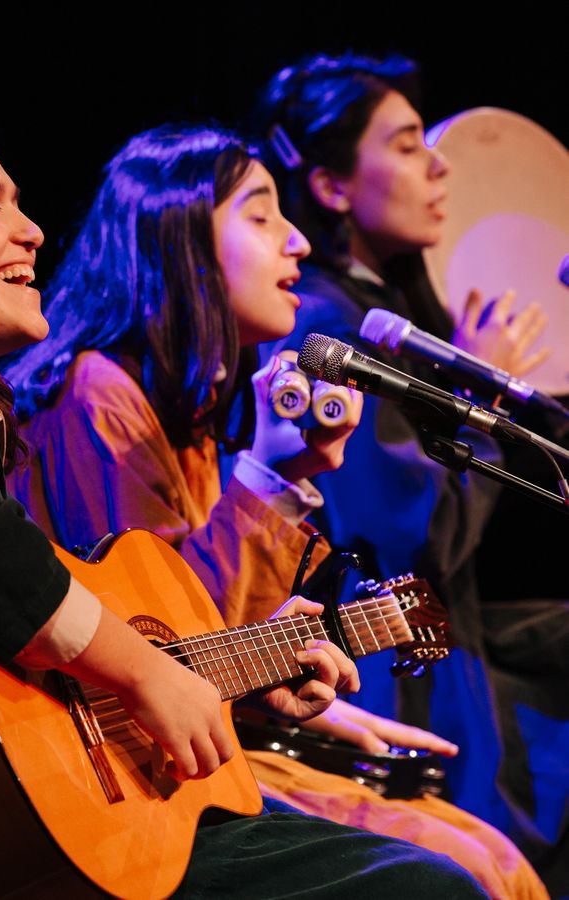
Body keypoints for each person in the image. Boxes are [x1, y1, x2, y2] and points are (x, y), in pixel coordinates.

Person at [0, 116, 484, 899]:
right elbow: (3, 575)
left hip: (19, 842)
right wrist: (152, 675)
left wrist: (242, 669)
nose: (34, 231)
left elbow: (26, 663)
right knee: (429, 885)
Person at [4, 124, 545, 899]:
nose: (295, 241)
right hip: (130, 782)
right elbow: (165, 643)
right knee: (461, 875)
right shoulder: (97, 394)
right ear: (179, 239)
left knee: (496, 861)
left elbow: (213, 643)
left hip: (216, 744)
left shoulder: (182, 413)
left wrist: (310, 711)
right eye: (260, 216)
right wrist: (270, 477)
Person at [253, 52, 566, 892]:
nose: (439, 166)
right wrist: (485, 401)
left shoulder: (369, 308)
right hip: (389, 671)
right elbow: (409, 532)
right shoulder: (323, 321)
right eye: (404, 144)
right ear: (329, 187)